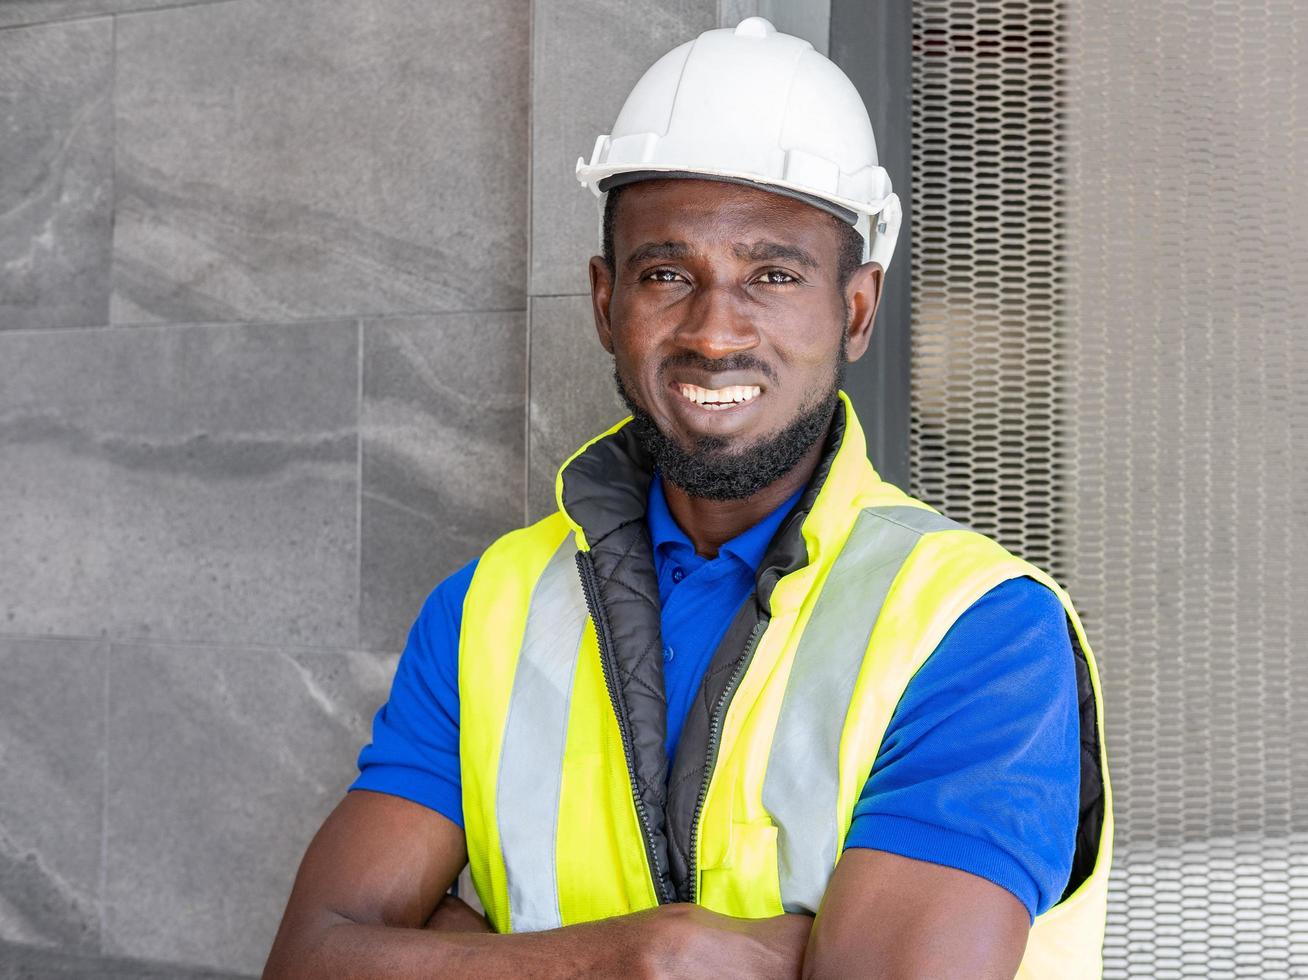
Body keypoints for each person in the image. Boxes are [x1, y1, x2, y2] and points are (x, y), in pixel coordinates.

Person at [265, 18, 1110, 979]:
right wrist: (646, 953)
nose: (714, 333)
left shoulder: (976, 626)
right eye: (667, 274)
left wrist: (476, 954)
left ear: (858, 308)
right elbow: (311, 960)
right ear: (604, 301)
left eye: (773, 275)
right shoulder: (486, 610)